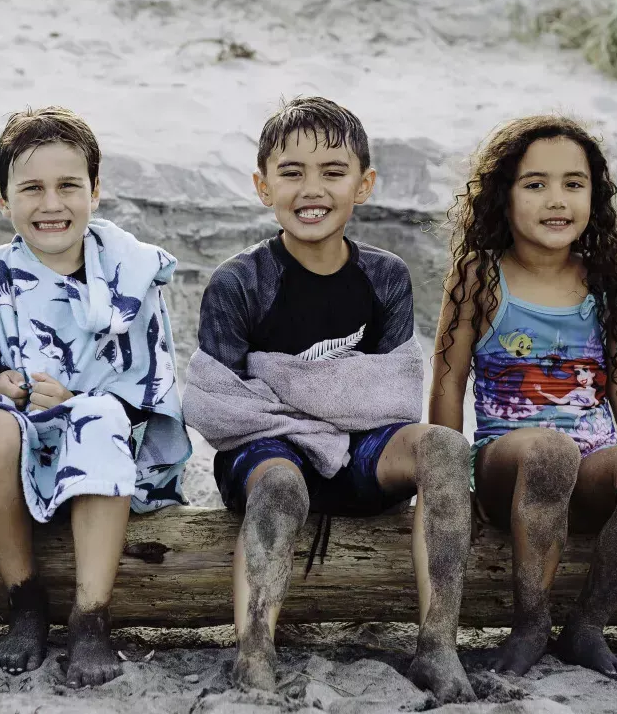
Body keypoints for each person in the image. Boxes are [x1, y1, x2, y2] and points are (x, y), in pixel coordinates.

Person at [183, 96, 475, 703]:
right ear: (263, 186)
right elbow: (220, 406)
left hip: (362, 455)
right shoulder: (239, 283)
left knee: (445, 448)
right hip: (266, 457)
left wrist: (299, 392)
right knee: (284, 485)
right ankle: (254, 653)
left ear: (363, 184)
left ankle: (437, 646)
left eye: (333, 172)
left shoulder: (385, 276)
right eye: (291, 173)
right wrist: (320, 410)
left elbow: (394, 393)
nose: (311, 189)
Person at [429, 114, 617, 679]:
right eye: (535, 184)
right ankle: (530, 625)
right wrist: (448, 486)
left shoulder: (603, 278)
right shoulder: (479, 276)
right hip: (508, 467)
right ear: (503, 195)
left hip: (589, 469)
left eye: (574, 183)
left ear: (595, 194)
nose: (556, 200)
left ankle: (586, 627)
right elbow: (448, 378)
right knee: (549, 452)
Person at [0, 106, 190, 688]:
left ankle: (90, 615)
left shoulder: (133, 276)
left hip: (104, 446)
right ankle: (26, 597)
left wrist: (77, 393)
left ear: (95, 191)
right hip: (17, 441)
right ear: (3, 200)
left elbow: (149, 386)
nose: (51, 204)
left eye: (69, 186)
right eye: (31, 188)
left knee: (101, 413)